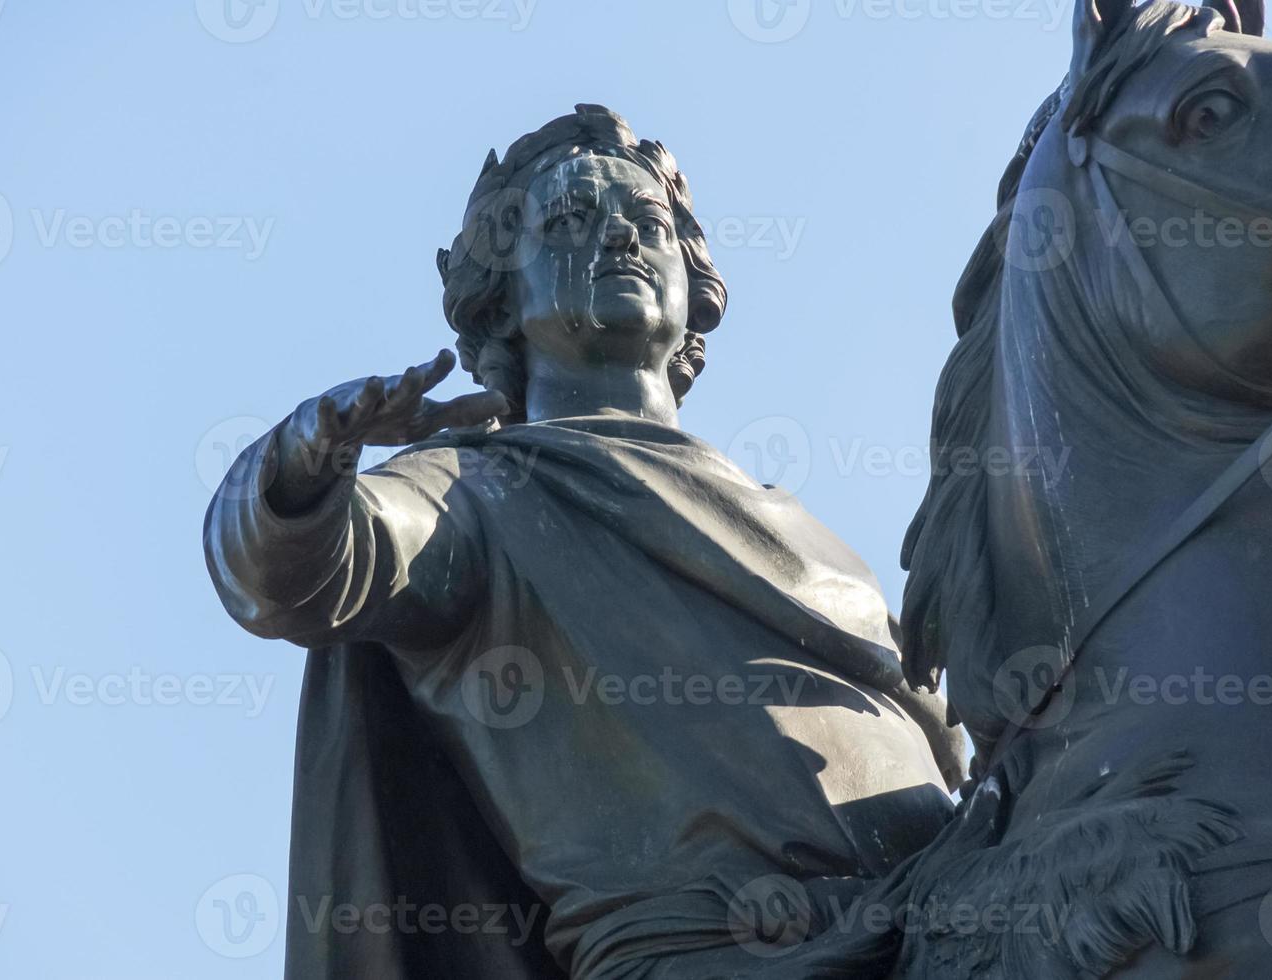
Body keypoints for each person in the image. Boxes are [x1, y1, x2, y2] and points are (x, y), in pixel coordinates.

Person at [204, 104, 962, 979]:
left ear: (693, 278)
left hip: (941, 923)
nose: (619, 241)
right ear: (503, 297)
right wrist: (309, 456)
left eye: (647, 224)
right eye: (570, 222)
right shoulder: (474, 493)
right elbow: (289, 573)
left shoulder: (812, 535)